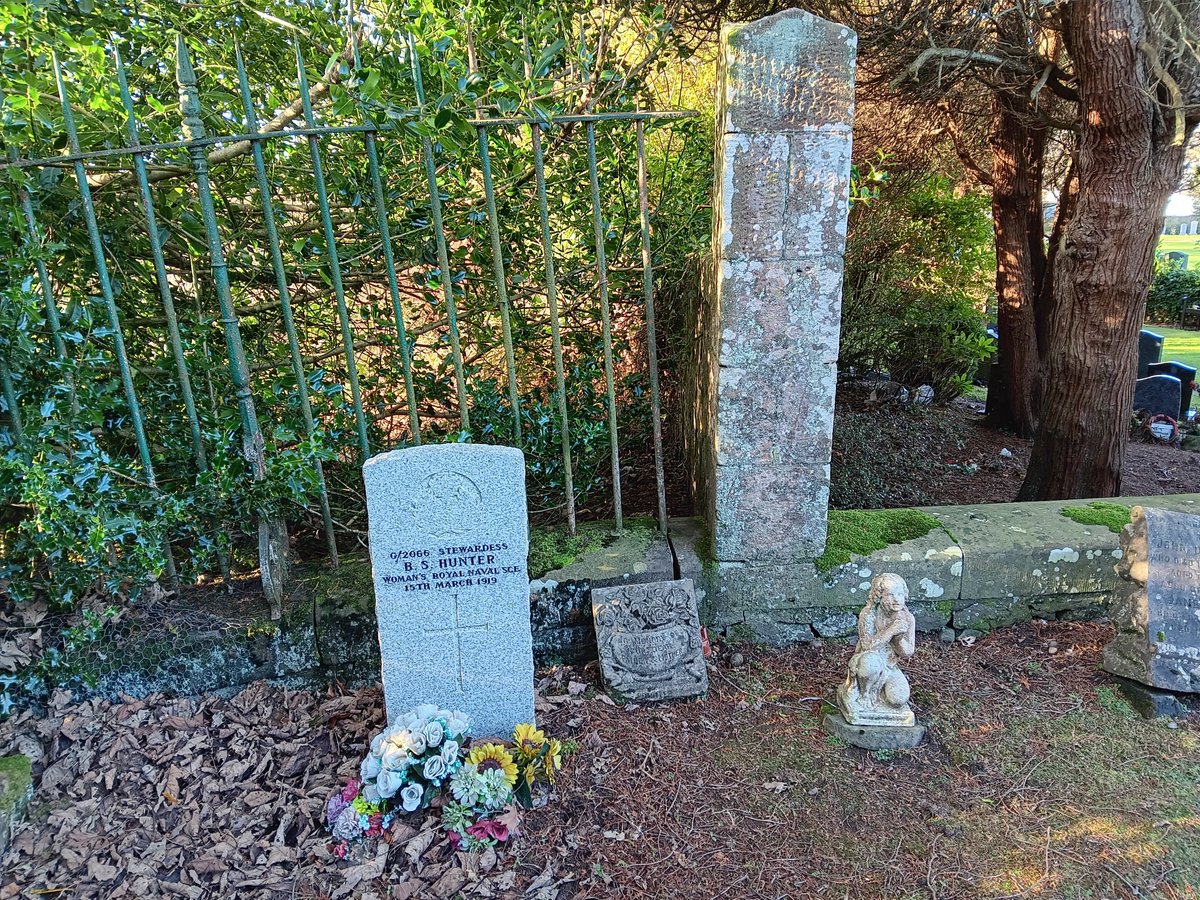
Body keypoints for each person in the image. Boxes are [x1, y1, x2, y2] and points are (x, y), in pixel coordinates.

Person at [838, 573, 916, 724]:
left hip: (890, 667)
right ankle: (864, 694)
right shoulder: (869, 614)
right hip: (867, 662)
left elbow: (907, 652)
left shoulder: (907, 618)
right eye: (891, 594)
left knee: (898, 699)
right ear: (879, 597)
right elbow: (867, 646)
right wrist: (891, 630)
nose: (897, 599)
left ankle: (880, 695)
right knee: (871, 662)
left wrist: (898, 639)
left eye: (900, 594)